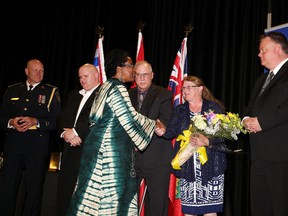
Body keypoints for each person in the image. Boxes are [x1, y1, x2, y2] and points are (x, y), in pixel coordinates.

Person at [66, 49, 162, 215]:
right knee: (112, 199)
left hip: (94, 150)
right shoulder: (118, 88)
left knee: (92, 199)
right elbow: (129, 119)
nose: (133, 70)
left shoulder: (105, 87)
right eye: (130, 65)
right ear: (119, 68)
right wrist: (153, 124)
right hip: (109, 153)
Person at [155, 76, 227, 216]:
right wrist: (161, 131)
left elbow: (223, 135)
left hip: (211, 167)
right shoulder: (180, 110)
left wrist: (207, 141)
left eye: (189, 87)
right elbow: (170, 132)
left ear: (200, 89)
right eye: (183, 88)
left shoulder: (213, 108)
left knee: (210, 212)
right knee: (189, 212)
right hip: (189, 168)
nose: (185, 91)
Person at [0, 59, 62, 216]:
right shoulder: (12, 90)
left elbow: (57, 121)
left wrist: (37, 122)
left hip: (36, 148)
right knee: (7, 189)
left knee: (33, 191)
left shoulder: (51, 92)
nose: (39, 73)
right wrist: (11, 122)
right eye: (35, 70)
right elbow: (1, 118)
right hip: (13, 146)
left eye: (41, 70)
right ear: (26, 71)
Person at [242, 31, 288, 216]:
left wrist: (262, 123)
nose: (259, 54)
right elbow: (250, 107)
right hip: (258, 156)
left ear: (278, 48)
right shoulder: (262, 79)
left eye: (263, 50)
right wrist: (245, 120)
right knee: (260, 208)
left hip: (282, 157)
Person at [128, 60, 173, 216]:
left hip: (157, 159)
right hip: (130, 159)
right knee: (127, 204)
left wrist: (139, 136)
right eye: (138, 75)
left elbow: (164, 122)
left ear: (152, 75)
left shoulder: (164, 94)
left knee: (156, 206)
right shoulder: (127, 95)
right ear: (134, 76)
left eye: (145, 75)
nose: (141, 78)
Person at [56, 63, 101, 216]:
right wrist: (65, 134)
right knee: (65, 193)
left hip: (89, 151)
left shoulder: (103, 95)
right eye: (80, 77)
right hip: (70, 150)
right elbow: (62, 118)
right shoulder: (74, 95)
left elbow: (96, 118)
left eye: (85, 76)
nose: (82, 80)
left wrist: (76, 132)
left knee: (85, 197)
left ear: (96, 75)